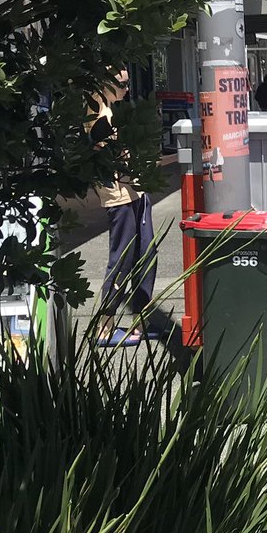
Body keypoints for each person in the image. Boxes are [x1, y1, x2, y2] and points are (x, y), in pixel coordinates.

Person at [90, 68, 157, 345]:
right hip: (117, 194)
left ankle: (141, 319)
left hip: (136, 189)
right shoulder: (95, 109)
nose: (127, 88)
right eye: (122, 83)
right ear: (105, 83)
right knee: (122, 259)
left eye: (129, 83)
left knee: (146, 254)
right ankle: (104, 326)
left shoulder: (114, 109)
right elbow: (99, 147)